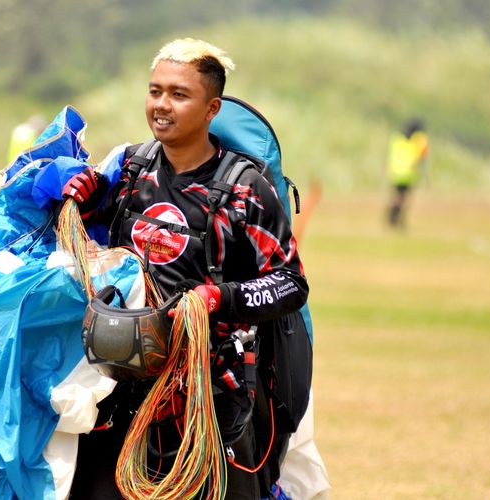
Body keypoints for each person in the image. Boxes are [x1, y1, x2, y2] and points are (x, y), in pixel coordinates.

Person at [63, 38, 309, 499]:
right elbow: (102, 261)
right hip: (121, 393)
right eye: (155, 91)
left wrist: (217, 299)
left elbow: (291, 284)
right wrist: (86, 202)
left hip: (211, 398)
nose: (162, 104)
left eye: (179, 94)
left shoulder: (244, 188)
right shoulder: (131, 171)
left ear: (212, 107)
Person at [386, 118, 429, 228]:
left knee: (397, 196)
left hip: (396, 172)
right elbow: (421, 157)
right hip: (408, 173)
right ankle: (398, 220)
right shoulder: (418, 141)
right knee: (403, 198)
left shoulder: (397, 139)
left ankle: (392, 218)